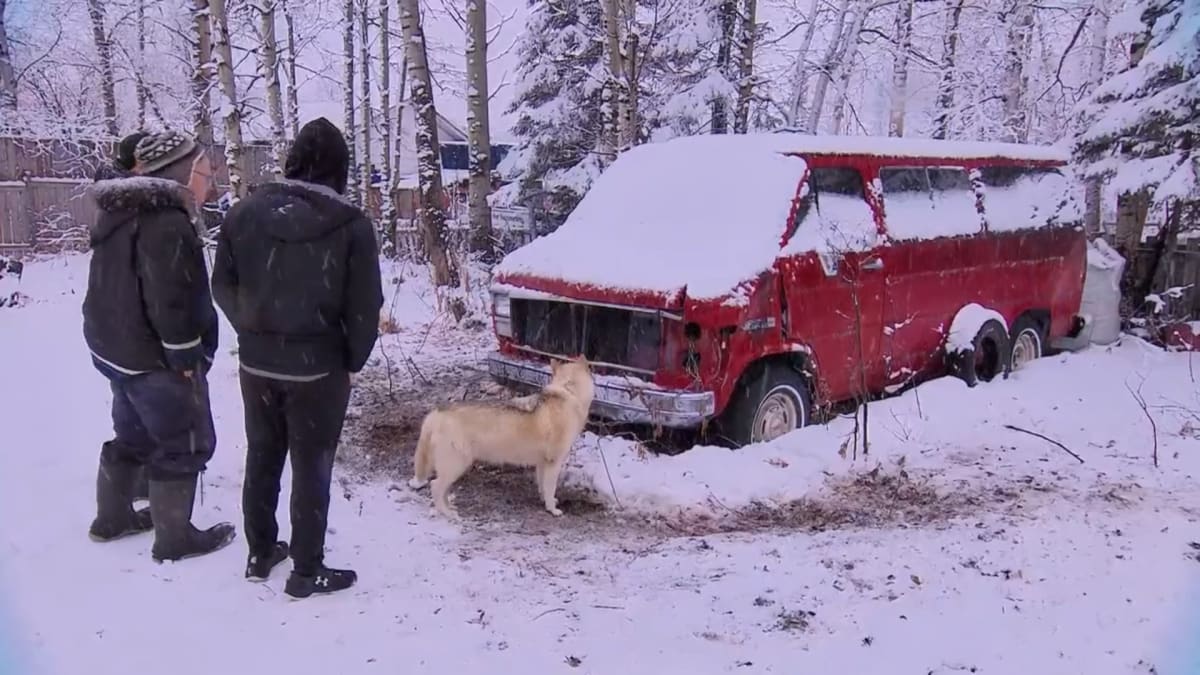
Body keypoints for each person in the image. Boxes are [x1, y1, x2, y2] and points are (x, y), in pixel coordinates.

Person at [212, 117, 382, 599]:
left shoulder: (243, 214)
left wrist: (254, 326)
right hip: (319, 370)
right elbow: (365, 307)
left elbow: (221, 284)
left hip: (258, 365)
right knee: (312, 464)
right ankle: (305, 571)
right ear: (339, 171)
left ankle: (260, 550)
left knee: (263, 455)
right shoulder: (351, 227)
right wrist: (350, 358)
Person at [82, 130, 237, 561]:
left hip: (115, 348)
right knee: (184, 442)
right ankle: (175, 540)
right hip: (153, 357)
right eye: (206, 171)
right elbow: (172, 297)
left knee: (132, 433)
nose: (211, 181)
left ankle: (111, 520)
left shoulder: (120, 211)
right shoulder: (166, 222)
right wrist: (185, 355)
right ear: (182, 173)